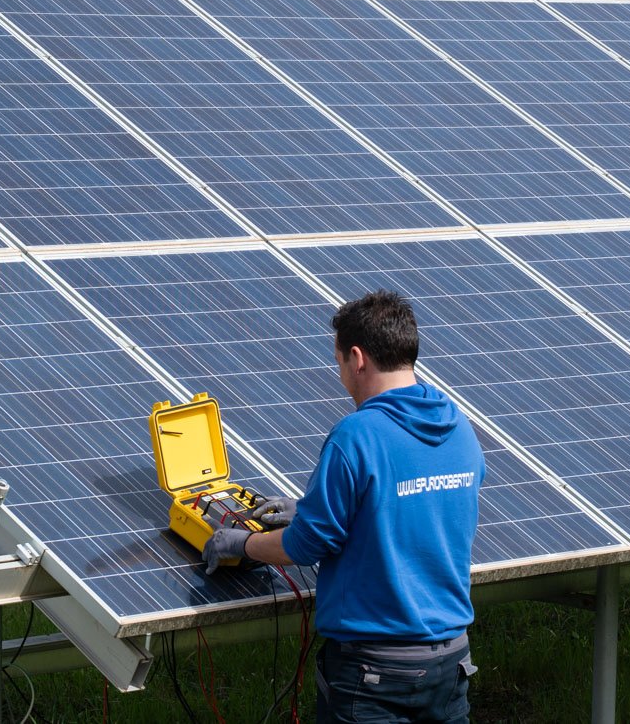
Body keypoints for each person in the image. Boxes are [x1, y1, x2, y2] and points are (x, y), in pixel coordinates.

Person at [203, 290, 485, 723]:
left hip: (374, 671)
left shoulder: (357, 436)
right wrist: (310, 508)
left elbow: (306, 545)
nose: (341, 375)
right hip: (451, 662)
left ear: (357, 358)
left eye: (338, 364)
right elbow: (411, 503)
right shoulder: (459, 429)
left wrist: (241, 544)